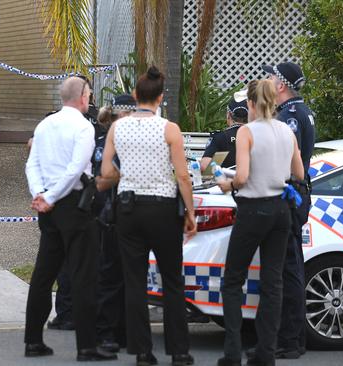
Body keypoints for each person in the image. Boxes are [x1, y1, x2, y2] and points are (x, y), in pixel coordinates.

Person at [98, 67, 196, 366]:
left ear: (137, 96)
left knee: (134, 280)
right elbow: (182, 175)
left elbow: (106, 173)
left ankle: (142, 352)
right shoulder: (170, 129)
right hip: (163, 208)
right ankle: (179, 351)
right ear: (161, 98)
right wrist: (190, 212)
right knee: (172, 280)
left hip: (128, 208)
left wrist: (125, 174)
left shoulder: (118, 128)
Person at [24, 76, 116, 361]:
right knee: (83, 274)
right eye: (88, 94)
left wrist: (40, 194)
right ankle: (86, 346)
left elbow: (32, 164)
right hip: (74, 206)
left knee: (43, 274)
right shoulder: (83, 127)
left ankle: (33, 341)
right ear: (83, 97)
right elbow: (76, 169)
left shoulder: (44, 125)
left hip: (49, 211)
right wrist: (51, 197)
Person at [216, 79, 304, 366]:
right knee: (273, 282)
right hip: (281, 209)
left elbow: (240, 177)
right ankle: (266, 352)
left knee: (232, 281)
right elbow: (299, 173)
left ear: (251, 104)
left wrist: (225, 184)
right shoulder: (286, 131)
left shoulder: (246, 132)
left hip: (253, 209)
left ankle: (232, 352)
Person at [260, 61, 315, 359]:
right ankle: (294, 338)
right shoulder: (299, 112)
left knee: (288, 270)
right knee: (288, 268)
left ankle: (291, 339)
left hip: (290, 194)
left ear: (281, 85)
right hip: (296, 193)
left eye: (271, 77)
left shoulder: (290, 116)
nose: (267, 80)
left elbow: (287, 161)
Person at [94, 94, 136, 353]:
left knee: (126, 276)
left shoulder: (132, 140)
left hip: (129, 213)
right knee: (110, 275)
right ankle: (107, 332)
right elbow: (102, 179)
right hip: (110, 214)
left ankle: (122, 331)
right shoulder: (107, 141)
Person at [200, 95, 249, 171]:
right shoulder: (256, 136)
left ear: (228, 115)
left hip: (226, 180)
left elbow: (205, 166)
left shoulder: (220, 137)